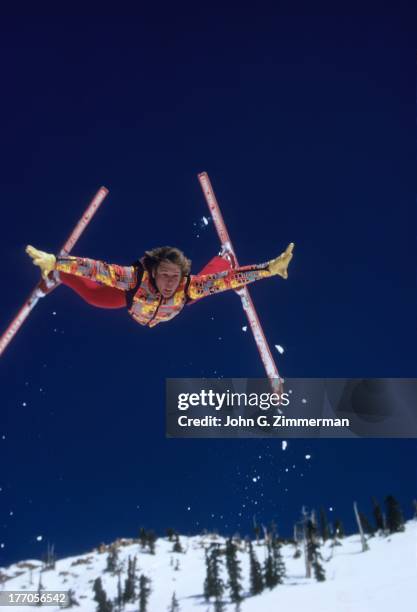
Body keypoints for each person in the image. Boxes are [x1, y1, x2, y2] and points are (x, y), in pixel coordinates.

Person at [25, 243, 294, 328]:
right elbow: (95, 269)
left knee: (213, 283)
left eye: (175, 277)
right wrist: (57, 262)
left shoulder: (187, 288)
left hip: (169, 310)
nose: (169, 283)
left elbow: (226, 281)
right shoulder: (133, 278)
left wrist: (269, 269)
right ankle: (56, 275)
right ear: (153, 271)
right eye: (164, 275)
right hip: (132, 304)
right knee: (93, 295)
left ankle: (224, 259)